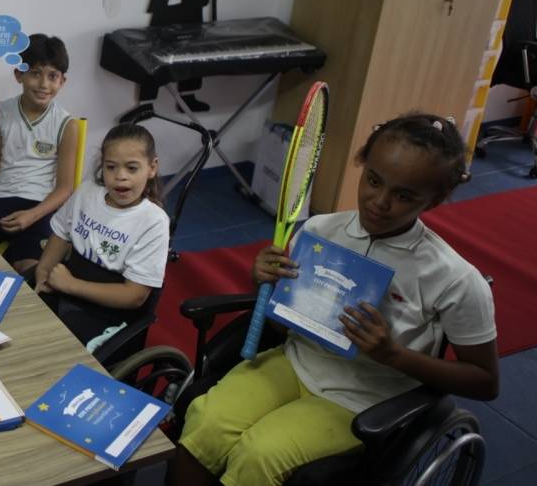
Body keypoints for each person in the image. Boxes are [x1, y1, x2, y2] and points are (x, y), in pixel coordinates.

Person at [170, 113, 499, 486]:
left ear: (436, 198)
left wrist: (393, 354)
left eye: (404, 195)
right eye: (373, 180)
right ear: (362, 166)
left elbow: (485, 381)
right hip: (294, 362)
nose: (380, 202)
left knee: (259, 454)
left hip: (364, 397)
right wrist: (264, 282)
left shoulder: (455, 279)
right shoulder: (318, 231)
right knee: (205, 422)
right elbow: (280, 323)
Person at [16, 123, 170, 347]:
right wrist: (43, 271)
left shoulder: (153, 222)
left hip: (107, 313)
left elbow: (134, 296)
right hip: (66, 286)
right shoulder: (87, 192)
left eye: (132, 168)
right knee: (16, 317)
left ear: (152, 167)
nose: (120, 177)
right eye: (111, 167)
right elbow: (60, 233)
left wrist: (70, 285)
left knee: (46, 346)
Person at [0, 34, 78, 269]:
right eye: (35, 73)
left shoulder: (67, 125)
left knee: (30, 270)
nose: (44, 84)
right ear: (19, 74)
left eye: (52, 76)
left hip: (39, 206)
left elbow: (65, 188)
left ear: (62, 81)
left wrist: (32, 215)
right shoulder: (0, 112)